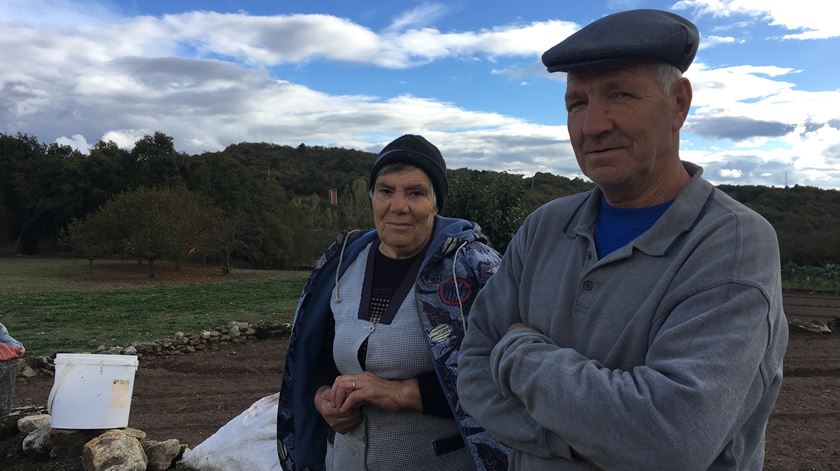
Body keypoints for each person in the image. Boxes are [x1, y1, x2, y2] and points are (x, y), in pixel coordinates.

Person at [457, 9, 789, 471]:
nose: (592, 126)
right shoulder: (544, 227)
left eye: (620, 94)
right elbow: (471, 369)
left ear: (679, 104)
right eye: (577, 103)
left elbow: (670, 439)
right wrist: (581, 444)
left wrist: (518, 354)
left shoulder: (732, 244)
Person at [276, 134, 510, 471]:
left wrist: (401, 394)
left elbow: (504, 376)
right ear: (372, 196)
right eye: (386, 190)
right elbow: (314, 359)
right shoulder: (341, 263)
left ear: (436, 202)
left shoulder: (474, 268)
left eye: (415, 192)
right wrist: (322, 397)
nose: (398, 206)